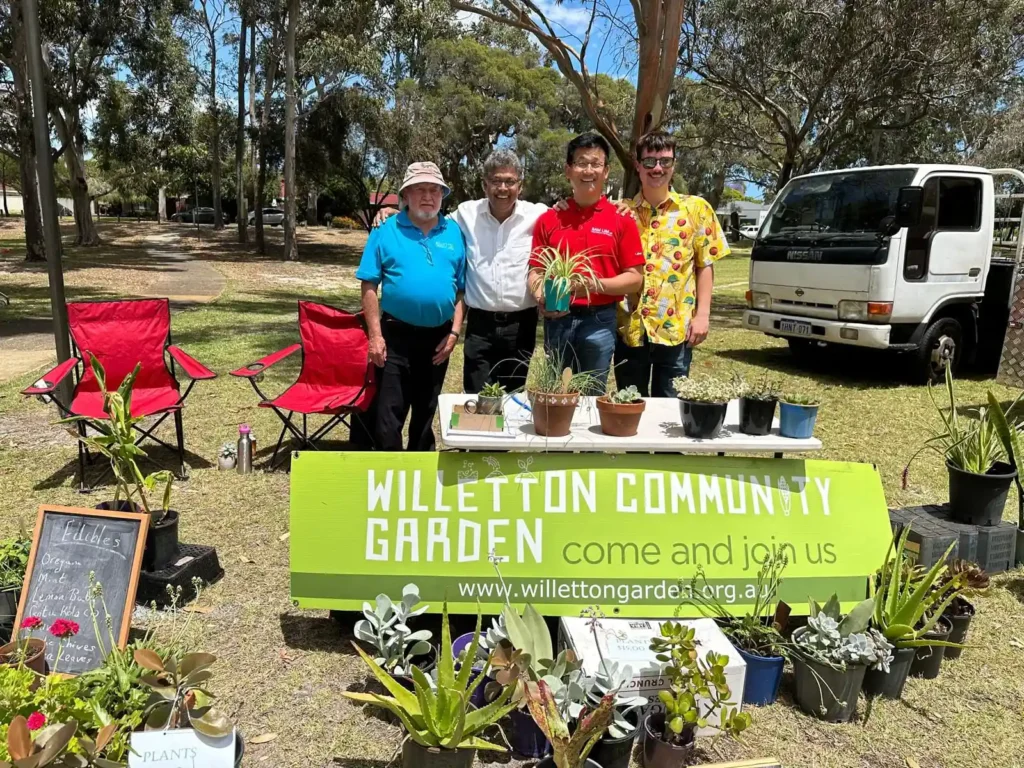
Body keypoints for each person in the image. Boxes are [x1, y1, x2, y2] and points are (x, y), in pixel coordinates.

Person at [355, 161, 466, 451]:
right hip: (395, 336)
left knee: (426, 414)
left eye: (434, 190)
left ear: (442, 195)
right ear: (406, 195)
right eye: (420, 190)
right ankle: (390, 475)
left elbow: (461, 291)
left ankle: (421, 476)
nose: (428, 196)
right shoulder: (385, 230)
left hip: (438, 339)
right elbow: (369, 284)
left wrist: (454, 334)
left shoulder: (454, 233)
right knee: (389, 415)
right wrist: (375, 336)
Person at [614, 132, 730, 397]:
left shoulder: (696, 209)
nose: (657, 168)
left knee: (670, 413)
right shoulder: (622, 213)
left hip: (676, 329)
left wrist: (702, 316)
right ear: (637, 165)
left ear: (674, 164)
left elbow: (705, 265)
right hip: (631, 330)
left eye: (665, 161)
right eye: (650, 162)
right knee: (631, 409)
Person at [527, 133, 644, 393]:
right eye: (581, 163)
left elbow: (635, 278)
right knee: (556, 392)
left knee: (592, 392)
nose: (588, 170)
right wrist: (541, 298)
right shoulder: (550, 219)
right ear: (569, 170)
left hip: (599, 321)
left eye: (595, 163)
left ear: (606, 171)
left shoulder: (622, 219)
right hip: (558, 319)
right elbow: (535, 270)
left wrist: (592, 285)